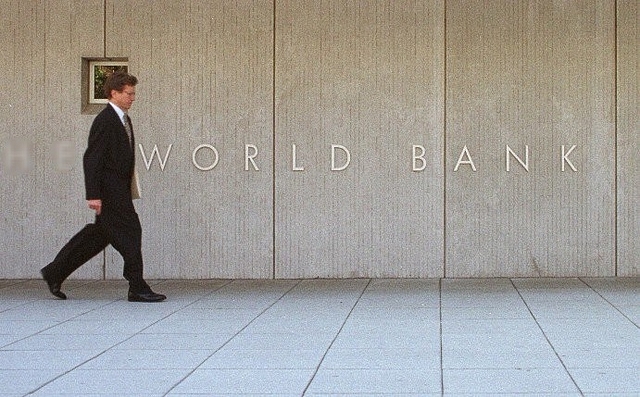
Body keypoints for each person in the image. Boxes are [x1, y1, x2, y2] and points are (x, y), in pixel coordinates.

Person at [41, 71, 166, 302]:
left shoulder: (123, 119)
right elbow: (92, 158)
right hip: (110, 192)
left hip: (118, 189)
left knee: (98, 236)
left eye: (133, 93)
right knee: (131, 232)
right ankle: (137, 286)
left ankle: (54, 272)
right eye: (128, 93)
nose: (132, 98)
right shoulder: (105, 120)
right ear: (114, 93)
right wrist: (94, 194)